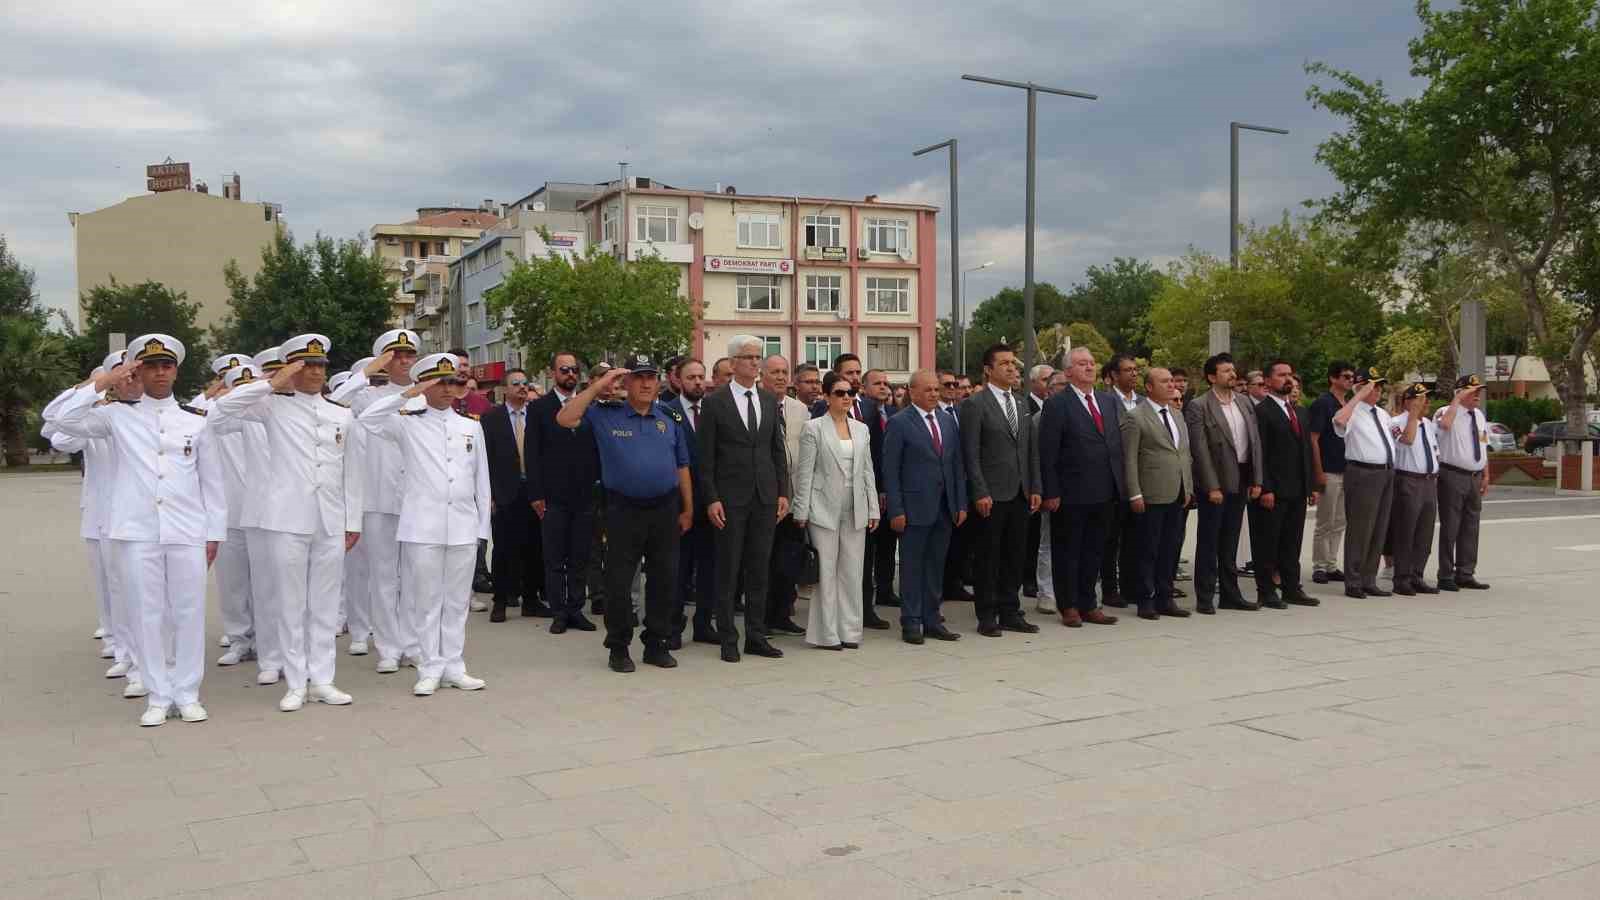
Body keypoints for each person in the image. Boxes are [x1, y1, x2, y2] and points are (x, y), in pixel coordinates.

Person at [54, 335, 224, 727]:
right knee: (146, 614)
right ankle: (158, 694)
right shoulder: (115, 416)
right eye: (150, 366)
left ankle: (188, 692)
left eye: (166, 365)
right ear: (137, 371)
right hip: (137, 532)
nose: (159, 372)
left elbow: (212, 485)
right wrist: (105, 382)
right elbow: (58, 420)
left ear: (176, 370)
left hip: (186, 530)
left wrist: (213, 533)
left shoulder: (195, 421)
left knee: (188, 612)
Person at [210, 334, 362, 711]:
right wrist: (269, 383)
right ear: (290, 369)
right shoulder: (270, 406)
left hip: (330, 519)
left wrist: (353, 519)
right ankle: (295, 682)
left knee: (324, 604)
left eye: (319, 365)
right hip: (287, 519)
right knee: (290, 604)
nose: (313, 372)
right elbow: (219, 413)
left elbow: (353, 471)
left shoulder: (340, 413)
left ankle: (323, 679)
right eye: (304, 365)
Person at [359, 352, 490, 696]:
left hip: (462, 525)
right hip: (422, 526)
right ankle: (430, 666)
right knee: (426, 600)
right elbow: (368, 419)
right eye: (440, 382)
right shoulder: (406, 420)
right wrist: (408, 393)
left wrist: (482, 530)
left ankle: (454, 664)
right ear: (425, 384)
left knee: (457, 601)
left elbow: (482, 483)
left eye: (452, 382)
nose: (448, 389)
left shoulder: (471, 426)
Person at [557, 355, 693, 673]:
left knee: (664, 579)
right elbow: (565, 418)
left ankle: (656, 643)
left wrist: (687, 508)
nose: (646, 383)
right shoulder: (606, 415)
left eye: (651, 377)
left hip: (664, 508)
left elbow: (682, 466)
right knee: (618, 582)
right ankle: (618, 646)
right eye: (638, 377)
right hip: (622, 509)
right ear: (626, 382)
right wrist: (598, 386)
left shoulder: (668, 417)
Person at [697, 335, 791, 662]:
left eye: (758, 357)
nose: (755, 362)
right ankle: (727, 637)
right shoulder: (715, 403)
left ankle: (755, 634)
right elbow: (705, 458)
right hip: (730, 499)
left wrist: (782, 491)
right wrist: (710, 498)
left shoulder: (767, 400)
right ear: (733, 362)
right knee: (728, 569)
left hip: (765, 497)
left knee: (759, 568)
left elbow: (776, 450)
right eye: (748, 357)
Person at [336, 329, 423, 674]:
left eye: (408, 355)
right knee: (383, 577)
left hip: (416, 499)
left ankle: (413, 642)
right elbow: (337, 399)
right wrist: (370, 370)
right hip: (378, 497)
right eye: (394, 355)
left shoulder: (424, 395)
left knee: (414, 576)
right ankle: (388, 646)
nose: (403, 361)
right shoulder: (367, 396)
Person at [959, 344, 1042, 637]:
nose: (1012, 368)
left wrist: (1034, 486)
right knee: (988, 556)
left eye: (1014, 364)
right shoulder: (975, 404)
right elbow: (971, 453)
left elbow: (1030, 450)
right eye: (1004, 363)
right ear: (988, 369)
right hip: (991, 494)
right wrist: (980, 491)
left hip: (1020, 492)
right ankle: (987, 614)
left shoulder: (1021, 403)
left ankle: (1010, 610)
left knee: (1015, 555)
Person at [792, 371, 878, 649]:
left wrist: (873, 508)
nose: (846, 398)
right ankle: (826, 634)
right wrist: (800, 511)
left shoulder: (861, 429)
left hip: (856, 507)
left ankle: (850, 632)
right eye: (840, 393)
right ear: (827, 396)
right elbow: (804, 473)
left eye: (851, 393)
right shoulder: (813, 427)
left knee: (852, 572)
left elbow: (867, 471)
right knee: (826, 572)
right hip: (822, 507)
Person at [1039, 347, 1124, 628]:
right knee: (1068, 551)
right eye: (1081, 364)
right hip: (1071, 493)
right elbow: (1048, 452)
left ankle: (1090, 603)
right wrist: (1051, 492)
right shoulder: (1057, 404)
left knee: (1094, 551)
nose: (1089, 368)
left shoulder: (1107, 402)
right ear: (1068, 371)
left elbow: (1114, 445)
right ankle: (1069, 605)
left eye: (1091, 363)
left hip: (1104, 490)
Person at [884, 370, 966, 644]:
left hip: (944, 507)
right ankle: (911, 621)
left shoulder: (946, 420)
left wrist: (959, 502)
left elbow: (955, 465)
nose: (934, 394)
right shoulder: (899, 423)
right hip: (913, 507)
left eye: (936, 389)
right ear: (913, 391)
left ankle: (932, 619)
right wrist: (896, 509)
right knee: (912, 567)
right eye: (928, 390)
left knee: (935, 566)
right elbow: (891, 470)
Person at [526, 352, 601, 634]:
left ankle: (576, 609)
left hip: (584, 495)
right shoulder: (539, 408)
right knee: (555, 558)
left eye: (574, 369)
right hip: (552, 496)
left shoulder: (590, 408)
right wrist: (536, 494)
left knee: (580, 556)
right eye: (564, 369)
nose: (570, 374)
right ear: (552, 372)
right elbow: (531, 454)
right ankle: (559, 612)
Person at [1185, 353, 1263, 614]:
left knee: (1230, 540)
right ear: (1211, 377)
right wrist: (1212, 486)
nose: (1232, 374)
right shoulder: (1199, 406)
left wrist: (1256, 479)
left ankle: (1231, 594)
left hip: (1241, 477)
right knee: (1209, 540)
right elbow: (1199, 449)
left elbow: (1254, 443)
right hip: (1216, 480)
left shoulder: (1244, 402)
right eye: (1226, 371)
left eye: (1233, 370)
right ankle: (1205, 596)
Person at [1122, 367, 1194, 620]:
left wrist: (1188, 487)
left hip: (1177, 492)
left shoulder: (1177, 415)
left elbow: (1184, 454)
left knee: (1170, 548)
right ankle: (1145, 599)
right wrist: (1134, 493)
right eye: (1164, 381)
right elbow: (1129, 459)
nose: (1171, 385)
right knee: (1147, 548)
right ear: (1149, 387)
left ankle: (1166, 597)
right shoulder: (1136, 417)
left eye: (1172, 381)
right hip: (1150, 493)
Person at [1249, 360, 1321, 609]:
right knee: (1268, 542)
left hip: (1297, 489)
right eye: (1281, 375)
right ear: (1268, 381)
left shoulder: (1299, 411)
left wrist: (1311, 486)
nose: (1288, 379)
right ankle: (1266, 591)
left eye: (1290, 374)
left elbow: (1306, 452)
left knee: (1292, 541)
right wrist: (1265, 487)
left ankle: (1292, 588)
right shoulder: (1261, 412)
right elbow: (1260, 453)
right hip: (1273, 490)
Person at [480, 367, 549, 622]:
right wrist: (490, 495)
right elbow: (485, 459)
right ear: (505, 389)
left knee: (535, 547)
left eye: (525, 383)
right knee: (503, 550)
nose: (522, 387)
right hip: (505, 491)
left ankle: (531, 600)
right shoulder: (492, 418)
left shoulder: (538, 415)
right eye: (516, 383)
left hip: (534, 491)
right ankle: (500, 601)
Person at [662, 359, 717, 646]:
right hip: (679, 504)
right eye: (691, 377)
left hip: (710, 503)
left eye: (701, 376)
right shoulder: (665, 411)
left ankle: (704, 624)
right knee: (678, 569)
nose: (698, 382)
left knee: (709, 567)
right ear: (678, 380)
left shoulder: (714, 409)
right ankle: (672, 627)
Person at [1331, 368, 1397, 599]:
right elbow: (1338, 420)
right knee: (1361, 528)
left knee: (1379, 528)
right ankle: (1354, 580)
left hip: (1386, 473)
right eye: (1373, 386)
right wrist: (1358, 395)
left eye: (1380, 386)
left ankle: (1369, 578)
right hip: (1363, 473)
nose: (1378, 390)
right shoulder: (1352, 411)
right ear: (1360, 387)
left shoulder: (1381, 414)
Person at [763, 354, 810, 636]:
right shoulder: (756, 404)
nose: (781, 377)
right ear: (762, 376)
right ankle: (764, 618)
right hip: (765, 497)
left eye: (784, 372)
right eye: (774, 372)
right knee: (765, 562)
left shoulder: (799, 410)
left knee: (789, 561)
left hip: (793, 497)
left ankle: (783, 613)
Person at [1436, 374, 1491, 591]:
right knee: (1451, 526)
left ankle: (1466, 572)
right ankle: (1446, 574)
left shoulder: (1478, 415)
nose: (1478, 395)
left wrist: (1486, 474)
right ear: (1460, 392)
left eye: (1479, 391)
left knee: (1471, 526)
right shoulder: (1445, 411)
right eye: (1473, 390)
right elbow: (1445, 425)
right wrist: (1457, 401)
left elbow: (1483, 445)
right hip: (1453, 475)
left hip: (1474, 475)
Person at [1388, 382, 1441, 596]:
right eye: (1420, 398)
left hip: (1428, 481)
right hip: (1408, 480)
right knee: (1406, 531)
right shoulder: (1395, 422)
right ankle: (1401, 578)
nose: (1425, 402)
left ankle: (1417, 575)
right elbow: (1407, 440)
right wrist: (1412, 415)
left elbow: (1435, 451)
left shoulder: (1427, 423)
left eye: (1426, 398)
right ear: (1408, 401)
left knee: (1424, 533)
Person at [1101, 353, 1142, 608]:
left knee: (1135, 537)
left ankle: (1131, 586)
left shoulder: (1144, 403)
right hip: (1114, 479)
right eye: (1128, 370)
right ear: (1114, 375)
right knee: (1110, 539)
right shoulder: (1105, 401)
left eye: (1136, 370)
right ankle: (1109, 588)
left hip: (1140, 478)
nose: (1134, 374)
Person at [1309, 361, 1355, 584]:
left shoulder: (1347, 404)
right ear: (1333, 378)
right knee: (1325, 521)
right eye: (1346, 376)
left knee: (1340, 521)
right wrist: (1318, 472)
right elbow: (1313, 439)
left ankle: (1331, 564)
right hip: (1329, 469)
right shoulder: (1323, 404)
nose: (1350, 380)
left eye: (1351, 377)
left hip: (1347, 469)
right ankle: (1319, 565)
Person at [859, 368, 899, 611]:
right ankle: (866, 599)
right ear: (864, 388)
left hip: (891, 490)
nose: (884, 387)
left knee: (888, 542)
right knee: (868, 549)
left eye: (886, 383)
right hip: (869, 489)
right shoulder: (862, 413)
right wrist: (878, 488)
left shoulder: (895, 413)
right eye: (877, 383)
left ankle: (886, 590)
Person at [937, 370, 974, 604]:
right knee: (942, 543)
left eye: (956, 384)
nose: (953, 388)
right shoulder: (934, 414)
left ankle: (954, 583)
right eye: (948, 384)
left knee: (961, 540)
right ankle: (939, 586)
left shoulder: (961, 412)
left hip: (964, 485)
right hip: (941, 488)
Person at [1023, 364, 1054, 599]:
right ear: (1034, 382)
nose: (1049, 384)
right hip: (1032, 483)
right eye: (1045, 380)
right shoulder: (1027, 408)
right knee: (1031, 537)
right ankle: (1029, 579)